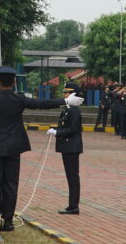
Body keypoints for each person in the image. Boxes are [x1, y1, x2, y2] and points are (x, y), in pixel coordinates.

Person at [0, 66, 71, 232]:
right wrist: (64, 101)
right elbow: (41, 104)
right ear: (14, 82)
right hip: (14, 146)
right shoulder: (19, 99)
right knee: (11, 184)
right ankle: (8, 221)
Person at [47, 81, 84, 214]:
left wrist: (57, 132)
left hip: (72, 147)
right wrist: (55, 129)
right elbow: (65, 126)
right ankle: (72, 205)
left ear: (73, 94)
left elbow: (73, 128)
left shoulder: (74, 111)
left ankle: (74, 206)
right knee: (70, 176)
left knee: (73, 177)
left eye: (67, 93)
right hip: (68, 146)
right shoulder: (68, 109)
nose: (65, 95)